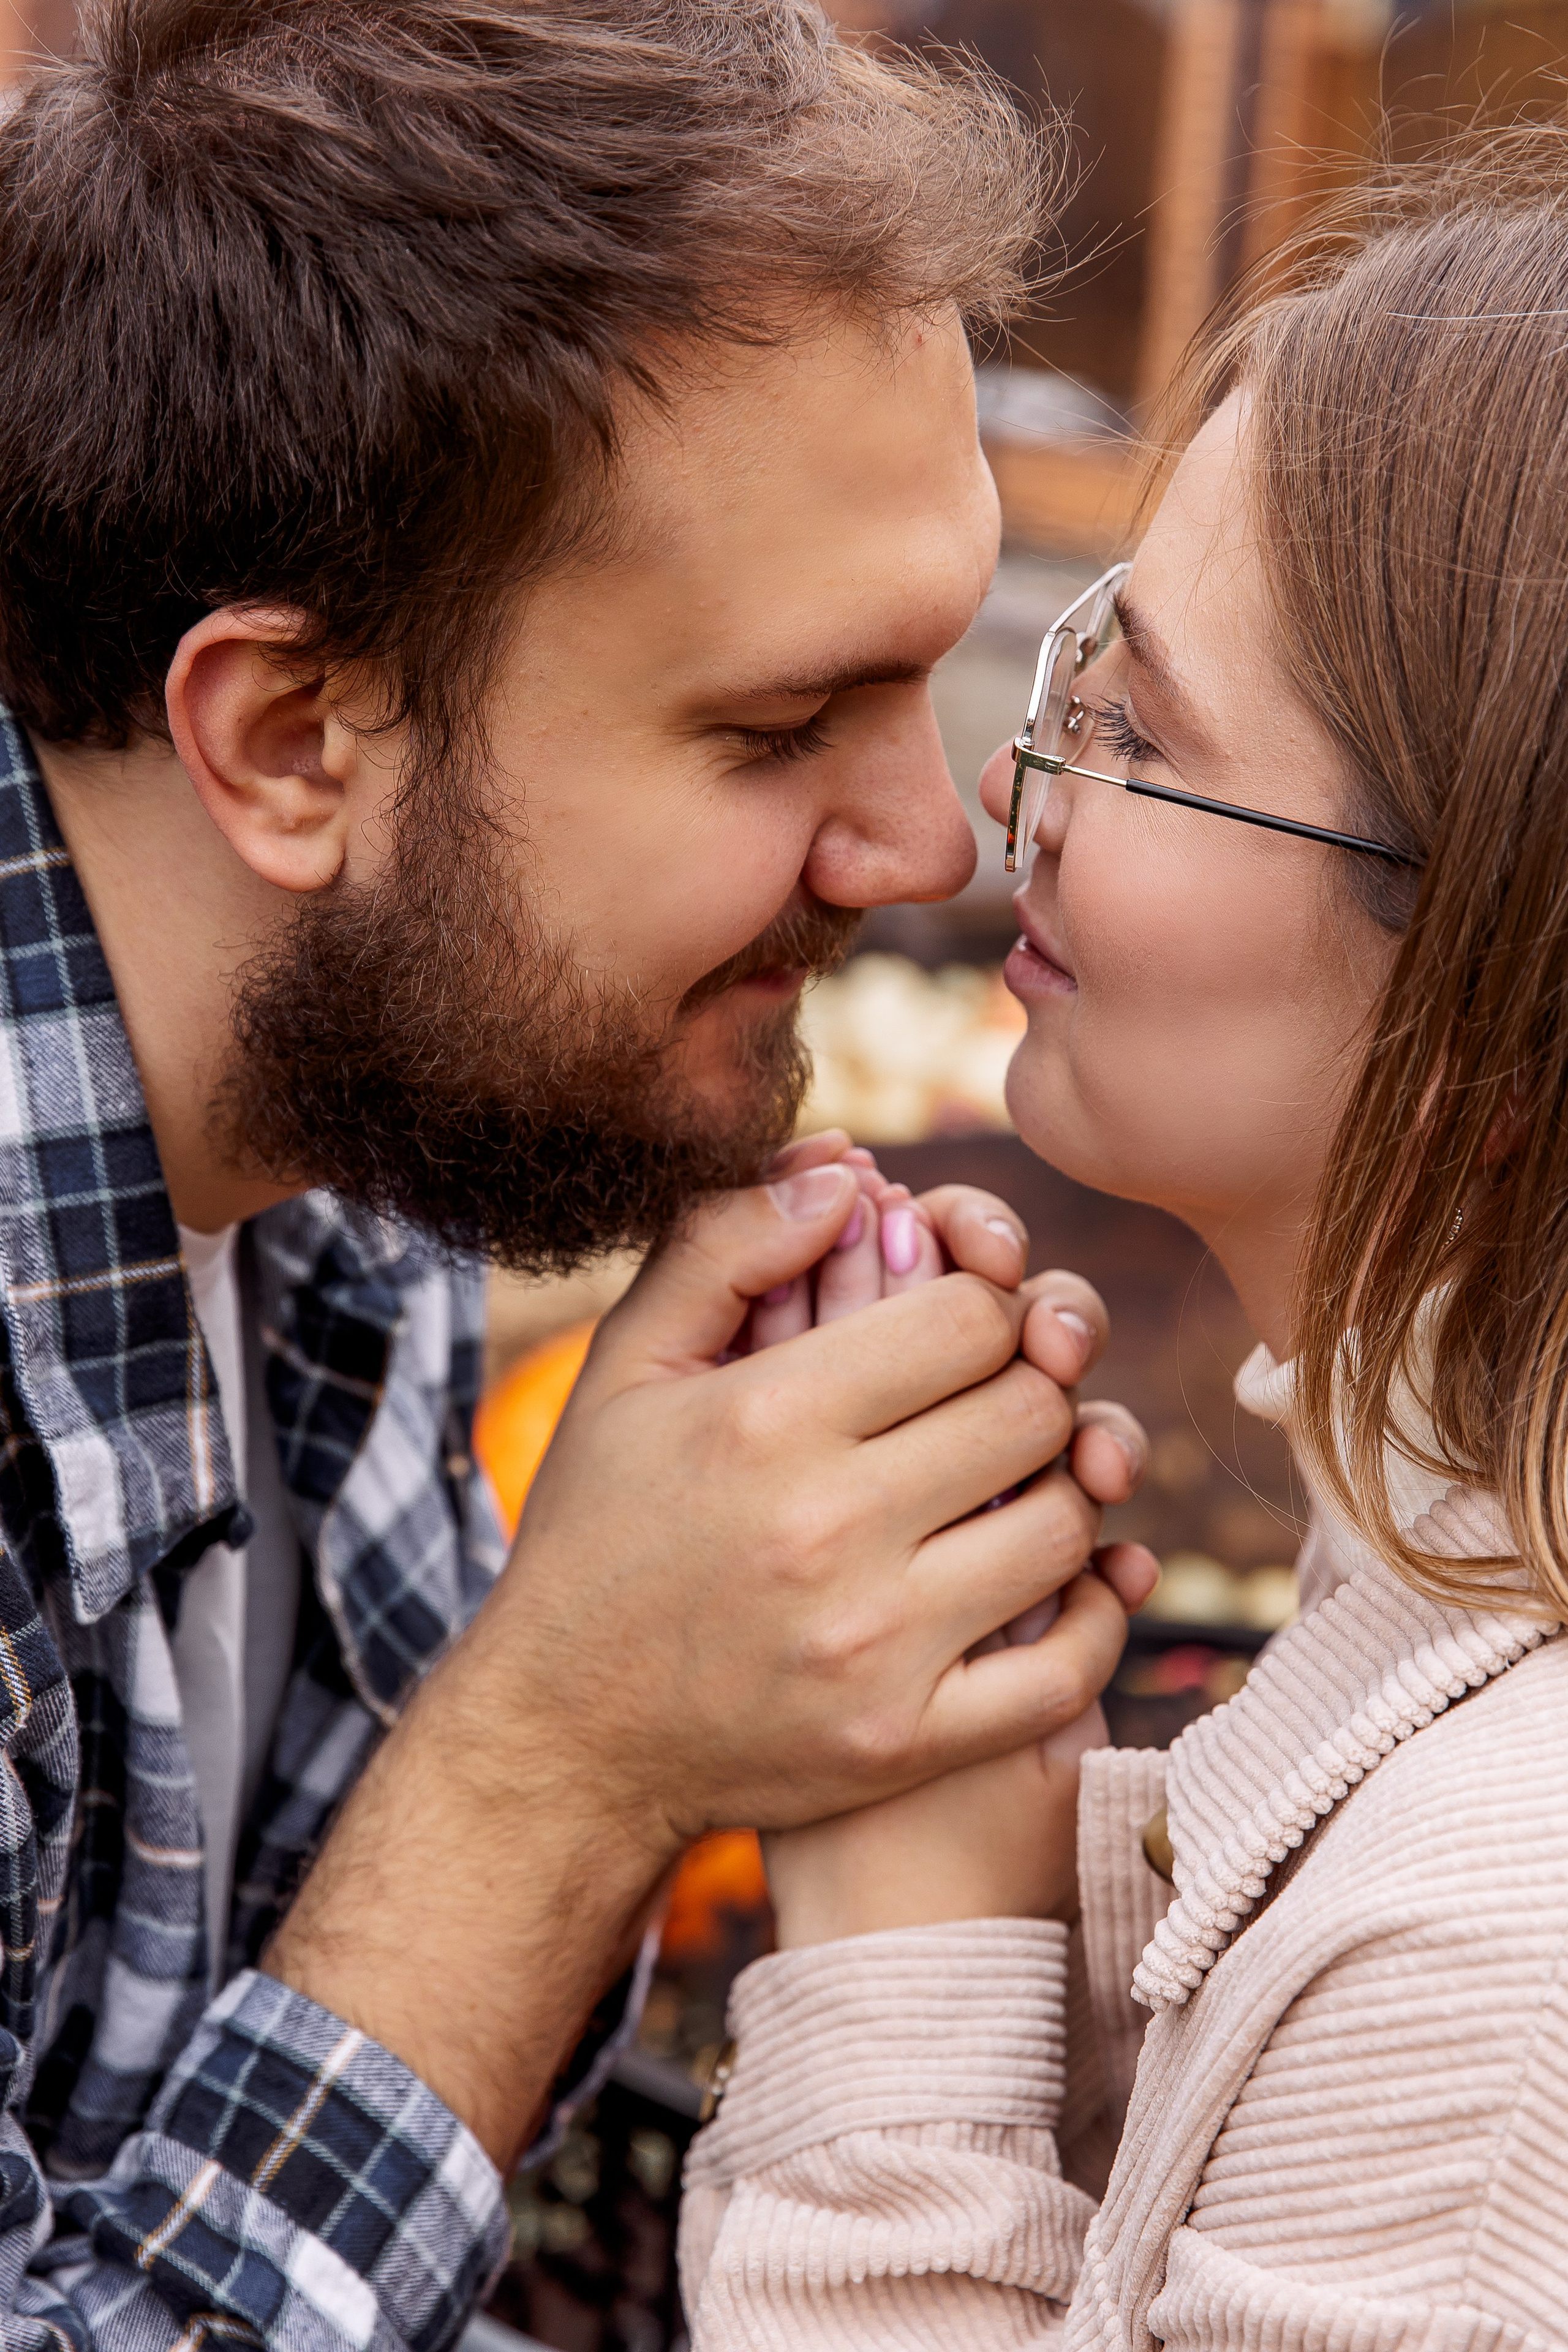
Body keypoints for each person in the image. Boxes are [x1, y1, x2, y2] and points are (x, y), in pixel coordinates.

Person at [0, 6, 1161, 2350]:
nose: (925, 846)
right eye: (776, 726)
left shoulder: (363, 1120)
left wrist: (729, 1661)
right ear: (291, 741)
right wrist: (568, 1753)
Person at [679, 134, 1568, 2346]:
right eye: (1077, 675)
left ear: (1493, 1001)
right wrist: (1032, 1828)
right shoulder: (1447, 1540)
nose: (1010, 800)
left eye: (1136, 731)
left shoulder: (1496, 1974)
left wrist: (906, 1948)